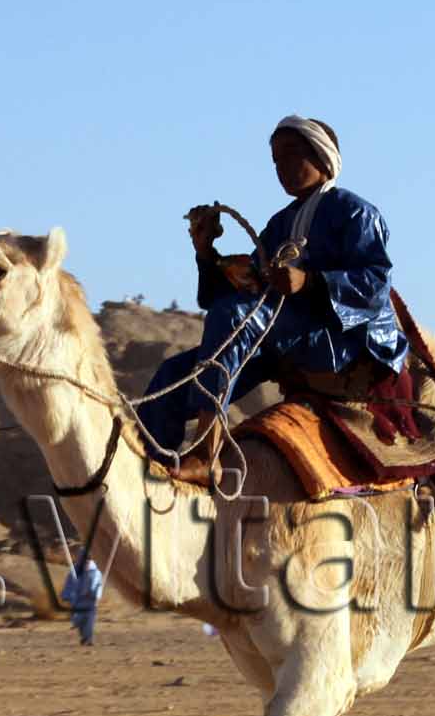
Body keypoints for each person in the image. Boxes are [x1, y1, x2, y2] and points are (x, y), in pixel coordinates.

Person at [135, 116, 409, 460]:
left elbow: (375, 283)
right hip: (281, 337)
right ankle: (150, 468)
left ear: (322, 156)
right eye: (276, 160)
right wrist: (207, 253)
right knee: (172, 374)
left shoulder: (356, 213)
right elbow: (245, 290)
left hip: (340, 338)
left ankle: (207, 453)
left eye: (292, 153)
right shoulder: (280, 224)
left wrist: (308, 282)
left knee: (235, 317)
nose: (282, 166)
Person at [61, 551, 104, 646]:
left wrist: (96, 596)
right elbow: (69, 584)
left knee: (89, 621)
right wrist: (67, 595)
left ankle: (88, 639)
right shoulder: (74, 572)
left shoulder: (96, 573)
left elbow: (98, 585)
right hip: (78, 602)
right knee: (78, 620)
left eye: (88, 561)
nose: (86, 563)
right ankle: (84, 637)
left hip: (90, 601)